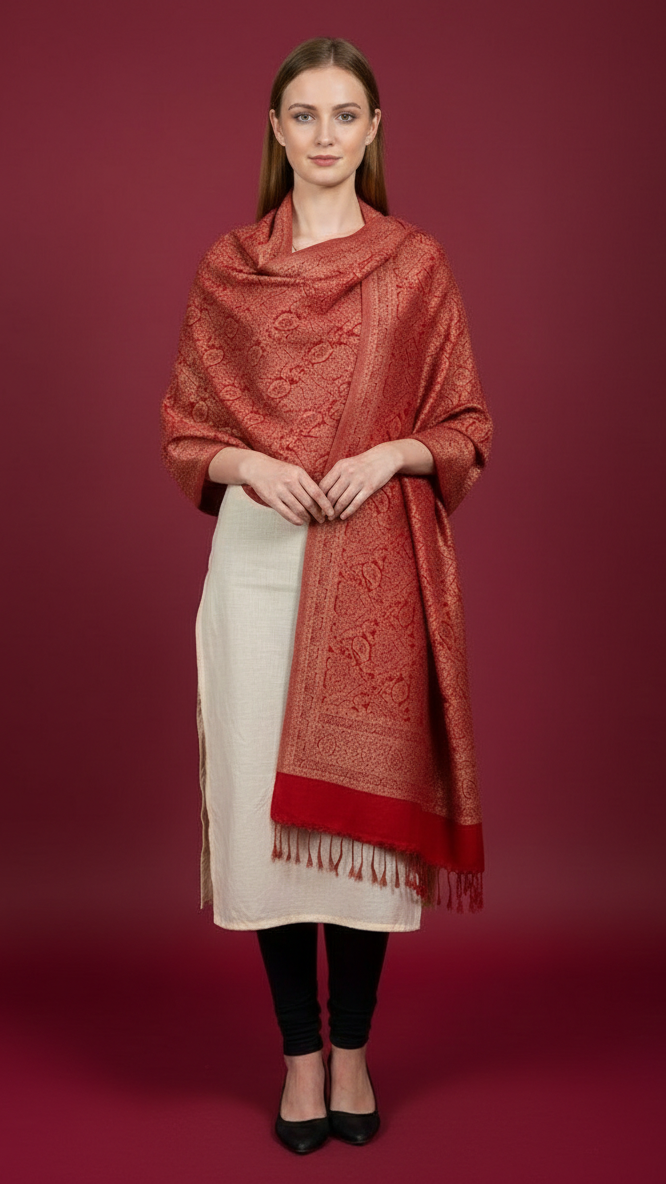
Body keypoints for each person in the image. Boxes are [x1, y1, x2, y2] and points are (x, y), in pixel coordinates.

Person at [161, 36, 492, 1155]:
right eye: (303, 115)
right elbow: (184, 431)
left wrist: (395, 450)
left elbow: (468, 427)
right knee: (273, 836)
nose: (323, 136)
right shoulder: (229, 268)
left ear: (375, 129)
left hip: (373, 574)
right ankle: (300, 1060)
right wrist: (246, 464)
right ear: (274, 129)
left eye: (344, 115)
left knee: (357, 840)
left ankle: (354, 1049)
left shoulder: (416, 267)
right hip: (258, 567)